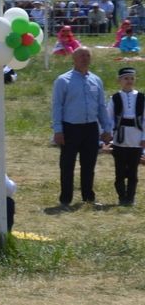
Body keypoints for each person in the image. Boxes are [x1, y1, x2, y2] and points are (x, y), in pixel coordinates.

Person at [51, 46, 113, 208]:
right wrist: (58, 130)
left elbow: (101, 106)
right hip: (70, 128)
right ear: (74, 59)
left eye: (87, 55)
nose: (85, 58)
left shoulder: (96, 80)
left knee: (89, 164)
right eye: (81, 56)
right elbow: (57, 106)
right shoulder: (63, 80)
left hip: (91, 128)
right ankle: (66, 199)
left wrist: (107, 128)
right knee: (67, 165)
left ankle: (88, 197)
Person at [111, 66, 142, 206]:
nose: (129, 81)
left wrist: (144, 137)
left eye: (131, 78)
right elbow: (109, 117)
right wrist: (109, 136)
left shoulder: (141, 97)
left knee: (133, 172)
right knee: (120, 171)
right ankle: (121, 197)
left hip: (136, 138)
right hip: (120, 138)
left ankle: (131, 197)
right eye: (126, 78)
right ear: (120, 81)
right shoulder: (115, 98)